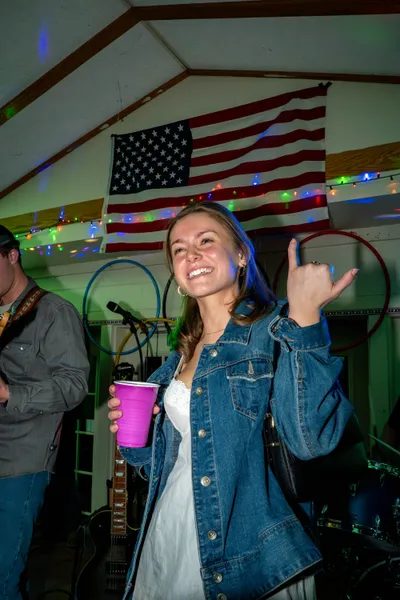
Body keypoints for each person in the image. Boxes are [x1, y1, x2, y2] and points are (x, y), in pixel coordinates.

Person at [108, 202, 358, 600]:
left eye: (206, 241)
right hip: (170, 533)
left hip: (252, 552)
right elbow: (160, 464)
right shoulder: (178, 357)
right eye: (179, 249)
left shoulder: (277, 327)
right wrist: (134, 432)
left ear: (241, 255)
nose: (191, 255)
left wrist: (306, 318)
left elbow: (311, 440)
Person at [0, 224, 90, 600]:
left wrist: (9, 393)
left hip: (21, 463)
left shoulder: (54, 312)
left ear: (12, 255)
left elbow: (74, 387)